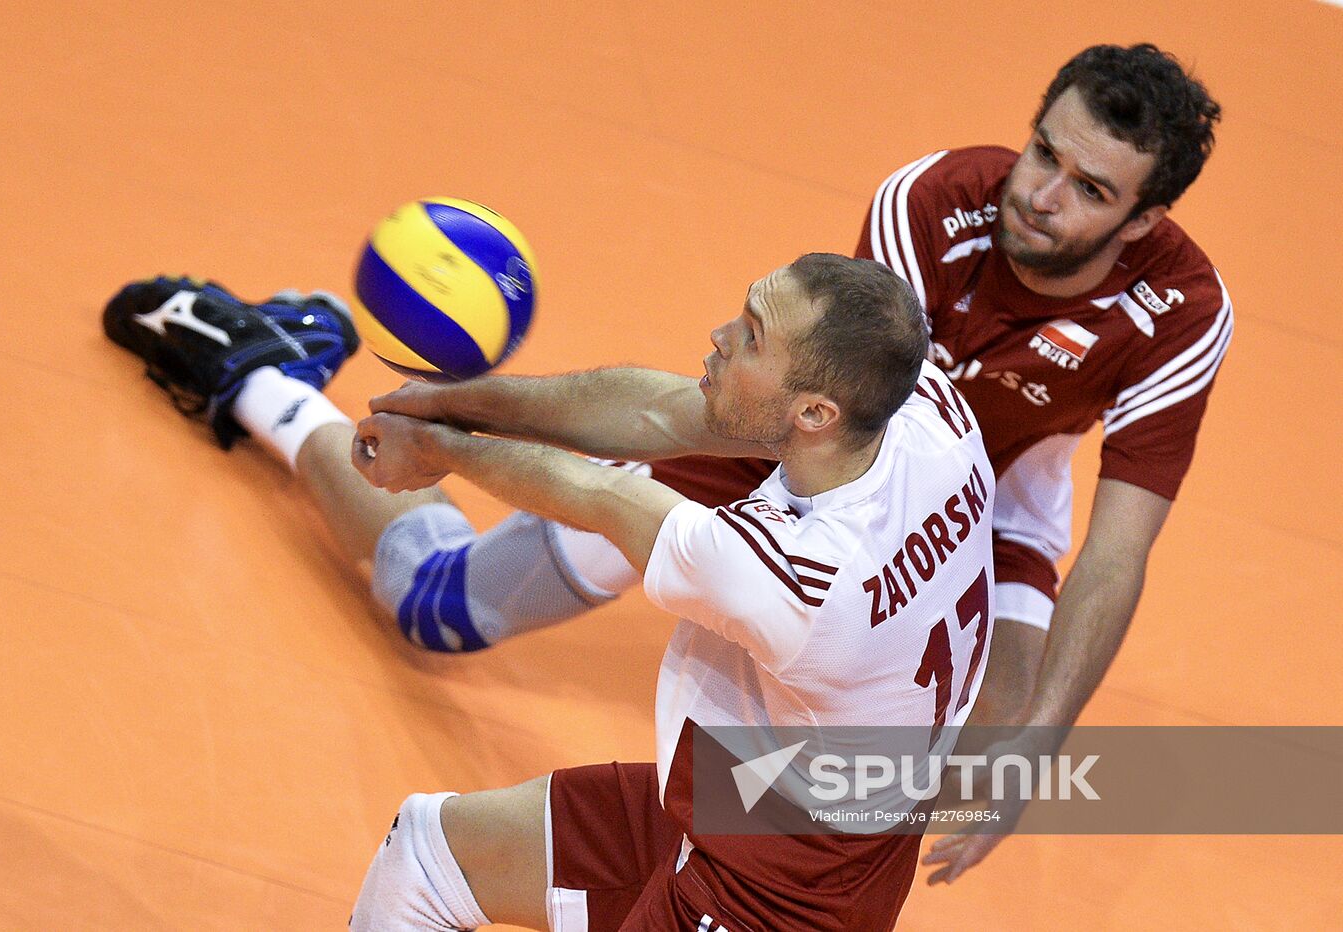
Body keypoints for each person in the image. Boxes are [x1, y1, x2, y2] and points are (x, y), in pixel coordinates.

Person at [103, 42, 1229, 884]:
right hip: (811, 469)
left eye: (1088, 189)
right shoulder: (931, 205)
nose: (1037, 193)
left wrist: (1032, 747)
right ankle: (269, 376)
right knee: (432, 606)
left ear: (1140, 222)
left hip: (992, 496)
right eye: (1043, 151)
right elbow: (789, 429)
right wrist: (542, 459)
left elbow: (1114, 546)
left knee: (980, 742)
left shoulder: (1180, 309)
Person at [343, 254, 994, 930]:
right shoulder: (927, 409)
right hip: (758, 794)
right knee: (426, 856)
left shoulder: (798, 578)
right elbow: (658, 414)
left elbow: (601, 495)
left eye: (751, 336)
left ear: (815, 411)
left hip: (777, 899)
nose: (720, 335)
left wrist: (439, 450)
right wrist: (447, 406)